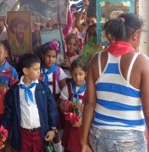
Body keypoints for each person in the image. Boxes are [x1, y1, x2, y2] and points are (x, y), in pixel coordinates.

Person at [81, 13, 149, 152]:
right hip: (129, 139)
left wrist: (83, 142)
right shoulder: (142, 62)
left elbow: (89, 103)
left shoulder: (96, 59)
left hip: (98, 135)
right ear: (136, 35)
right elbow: (147, 110)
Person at [2, 53, 59, 151]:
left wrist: (53, 129)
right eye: (36, 69)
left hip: (40, 133)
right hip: (22, 134)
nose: (39, 72)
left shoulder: (43, 89)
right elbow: (8, 113)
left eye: (39, 68)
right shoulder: (14, 91)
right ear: (25, 71)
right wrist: (2, 131)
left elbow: (52, 109)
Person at [34, 40, 67, 152]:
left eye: (54, 56)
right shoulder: (38, 70)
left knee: (55, 131)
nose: (51, 59)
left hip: (55, 106)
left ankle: (58, 150)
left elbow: (65, 90)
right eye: (48, 56)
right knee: (43, 130)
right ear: (43, 56)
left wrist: (58, 104)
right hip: (41, 106)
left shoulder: (58, 71)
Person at [59, 58, 87, 152]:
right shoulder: (68, 88)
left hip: (83, 126)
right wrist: (67, 107)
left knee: (82, 147)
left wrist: (82, 119)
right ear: (71, 74)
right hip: (70, 126)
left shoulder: (89, 90)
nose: (77, 77)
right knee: (69, 147)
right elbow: (61, 105)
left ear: (85, 73)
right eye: (75, 74)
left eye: (80, 74)